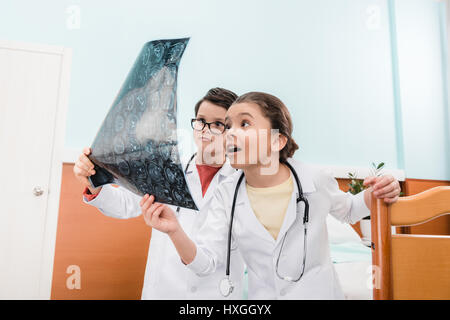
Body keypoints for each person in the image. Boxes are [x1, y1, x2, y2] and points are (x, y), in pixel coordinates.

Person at [140, 91, 401, 299]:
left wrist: (382, 190)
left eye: (244, 123)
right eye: (228, 126)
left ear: (277, 141)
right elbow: (206, 264)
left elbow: (351, 210)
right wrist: (174, 231)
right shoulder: (226, 194)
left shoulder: (314, 180)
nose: (230, 132)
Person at [73, 88, 245, 299]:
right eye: (201, 120)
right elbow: (125, 205)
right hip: (163, 289)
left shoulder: (242, 186)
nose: (205, 130)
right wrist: (93, 183)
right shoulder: (167, 171)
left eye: (218, 124)